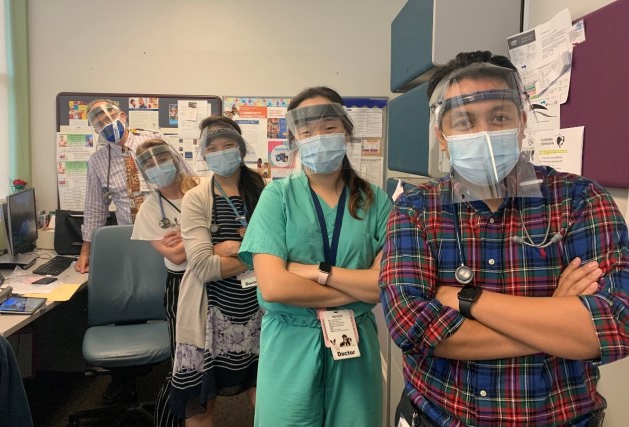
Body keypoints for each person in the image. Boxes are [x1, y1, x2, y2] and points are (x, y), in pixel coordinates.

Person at [379, 51, 628, 427]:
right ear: (441, 136)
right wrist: (551, 317)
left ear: (522, 122)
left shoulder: (579, 200)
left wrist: (466, 299)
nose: (484, 132)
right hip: (437, 417)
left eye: (498, 117)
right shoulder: (416, 210)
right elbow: (412, 329)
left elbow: (614, 324)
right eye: (464, 121)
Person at [239, 86, 392, 426]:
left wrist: (315, 272)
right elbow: (275, 287)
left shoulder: (376, 201)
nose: (318, 137)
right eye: (307, 131)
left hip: (354, 344)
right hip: (291, 342)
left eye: (329, 127)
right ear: (294, 139)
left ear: (346, 131)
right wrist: (358, 289)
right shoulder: (275, 198)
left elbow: (386, 286)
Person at [170, 115, 265, 426]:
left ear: (240, 147)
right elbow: (203, 266)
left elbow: (282, 251)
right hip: (208, 316)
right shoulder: (197, 197)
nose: (221, 152)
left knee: (265, 395)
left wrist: (226, 248)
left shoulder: (264, 191)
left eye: (228, 145)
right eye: (212, 147)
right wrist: (256, 254)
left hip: (260, 312)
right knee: (201, 405)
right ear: (204, 153)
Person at [131, 139, 198, 426]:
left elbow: (235, 234)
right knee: (185, 360)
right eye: (149, 164)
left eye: (162, 158)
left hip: (214, 277)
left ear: (174, 158)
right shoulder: (149, 208)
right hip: (180, 284)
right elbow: (176, 257)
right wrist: (200, 234)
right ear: (143, 172)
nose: (158, 167)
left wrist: (184, 237)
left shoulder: (203, 189)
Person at [75, 99, 161, 273]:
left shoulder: (154, 141)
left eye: (109, 117)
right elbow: (95, 210)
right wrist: (86, 251)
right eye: (99, 123)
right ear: (96, 130)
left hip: (166, 234)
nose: (105, 124)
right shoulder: (97, 161)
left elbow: (187, 180)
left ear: (122, 115)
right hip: (131, 239)